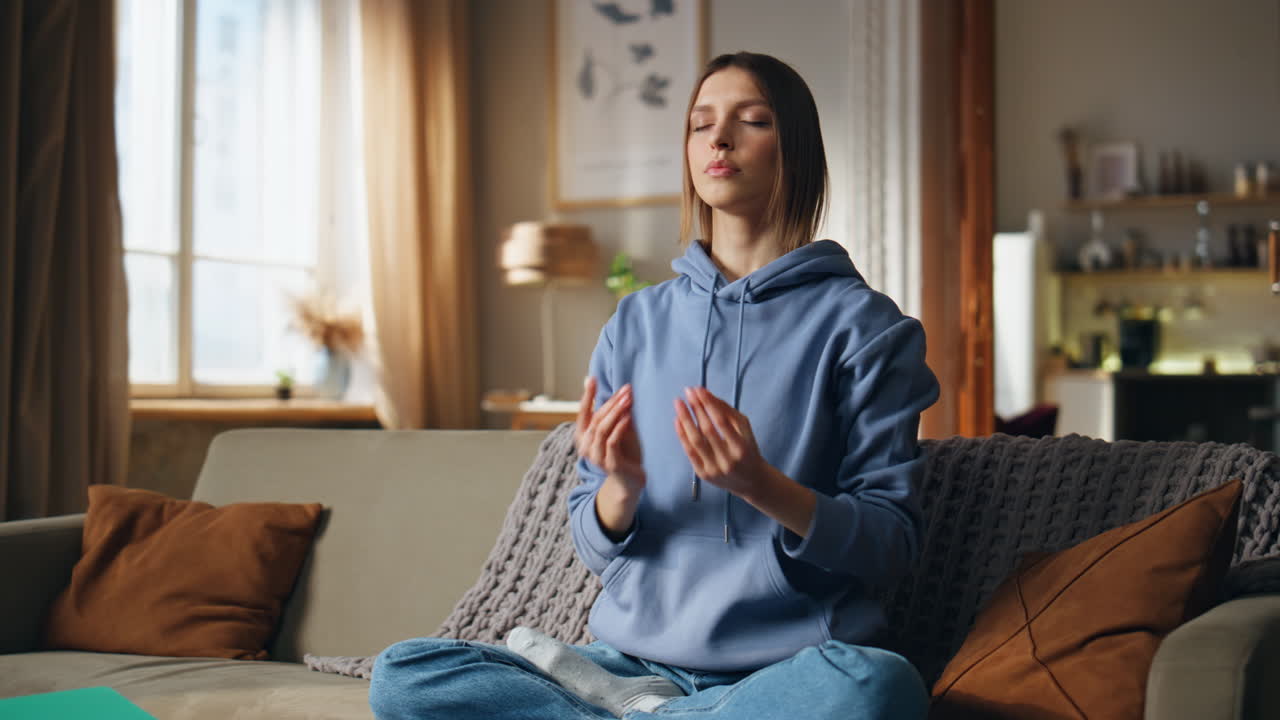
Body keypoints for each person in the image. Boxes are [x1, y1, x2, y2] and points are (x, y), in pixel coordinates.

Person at [369, 51, 940, 720]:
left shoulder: (868, 328)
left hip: (782, 671)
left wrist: (761, 484)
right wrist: (621, 488)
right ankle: (652, 707)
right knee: (403, 675)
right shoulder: (636, 321)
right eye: (700, 125)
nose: (718, 139)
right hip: (630, 660)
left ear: (797, 149)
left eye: (750, 120)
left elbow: (890, 545)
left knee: (879, 687)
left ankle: (642, 713)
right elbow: (589, 533)